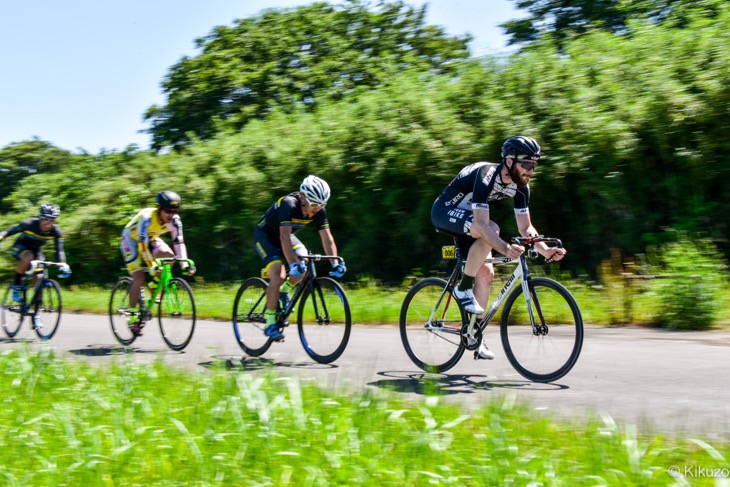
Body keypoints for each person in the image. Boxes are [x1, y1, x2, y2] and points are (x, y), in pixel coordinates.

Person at [431, 136, 566, 359]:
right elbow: (483, 225)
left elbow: (526, 227)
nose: (530, 171)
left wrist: (545, 250)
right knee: (491, 227)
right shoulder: (486, 176)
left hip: (470, 220)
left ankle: (474, 336)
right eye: (526, 164)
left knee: (486, 274)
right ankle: (463, 287)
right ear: (509, 160)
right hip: (445, 211)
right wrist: (505, 248)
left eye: (534, 165)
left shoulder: (521, 187)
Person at [254, 175, 346, 341]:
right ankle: (269, 322)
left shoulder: (318, 211)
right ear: (303, 197)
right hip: (266, 236)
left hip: (287, 237)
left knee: (306, 264)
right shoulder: (288, 204)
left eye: (322, 204)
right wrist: (292, 264)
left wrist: (335, 262)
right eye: (315, 204)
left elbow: (327, 238)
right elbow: (284, 237)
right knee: (278, 273)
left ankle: (284, 290)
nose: (318, 208)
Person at [119, 190, 195, 335]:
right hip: (131, 241)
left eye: (175, 210)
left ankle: (154, 284)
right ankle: (132, 316)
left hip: (150, 239)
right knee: (139, 276)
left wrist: (184, 265)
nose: (171, 214)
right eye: (168, 211)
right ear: (159, 208)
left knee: (169, 256)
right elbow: (142, 246)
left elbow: (179, 243)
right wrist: (152, 265)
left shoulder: (175, 220)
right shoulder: (147, 218)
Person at [0, 204, 72, 322]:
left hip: (37, 252)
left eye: (53, 219)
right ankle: (16, 286)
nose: (49, 223)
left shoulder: (56, 231)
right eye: (46, 219)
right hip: (20, 247)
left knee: (40, 281)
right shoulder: (29, 224)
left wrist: (63, 264)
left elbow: (59, 250)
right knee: (29, 256)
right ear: (40, 217)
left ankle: (35, 314)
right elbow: (9, 231)